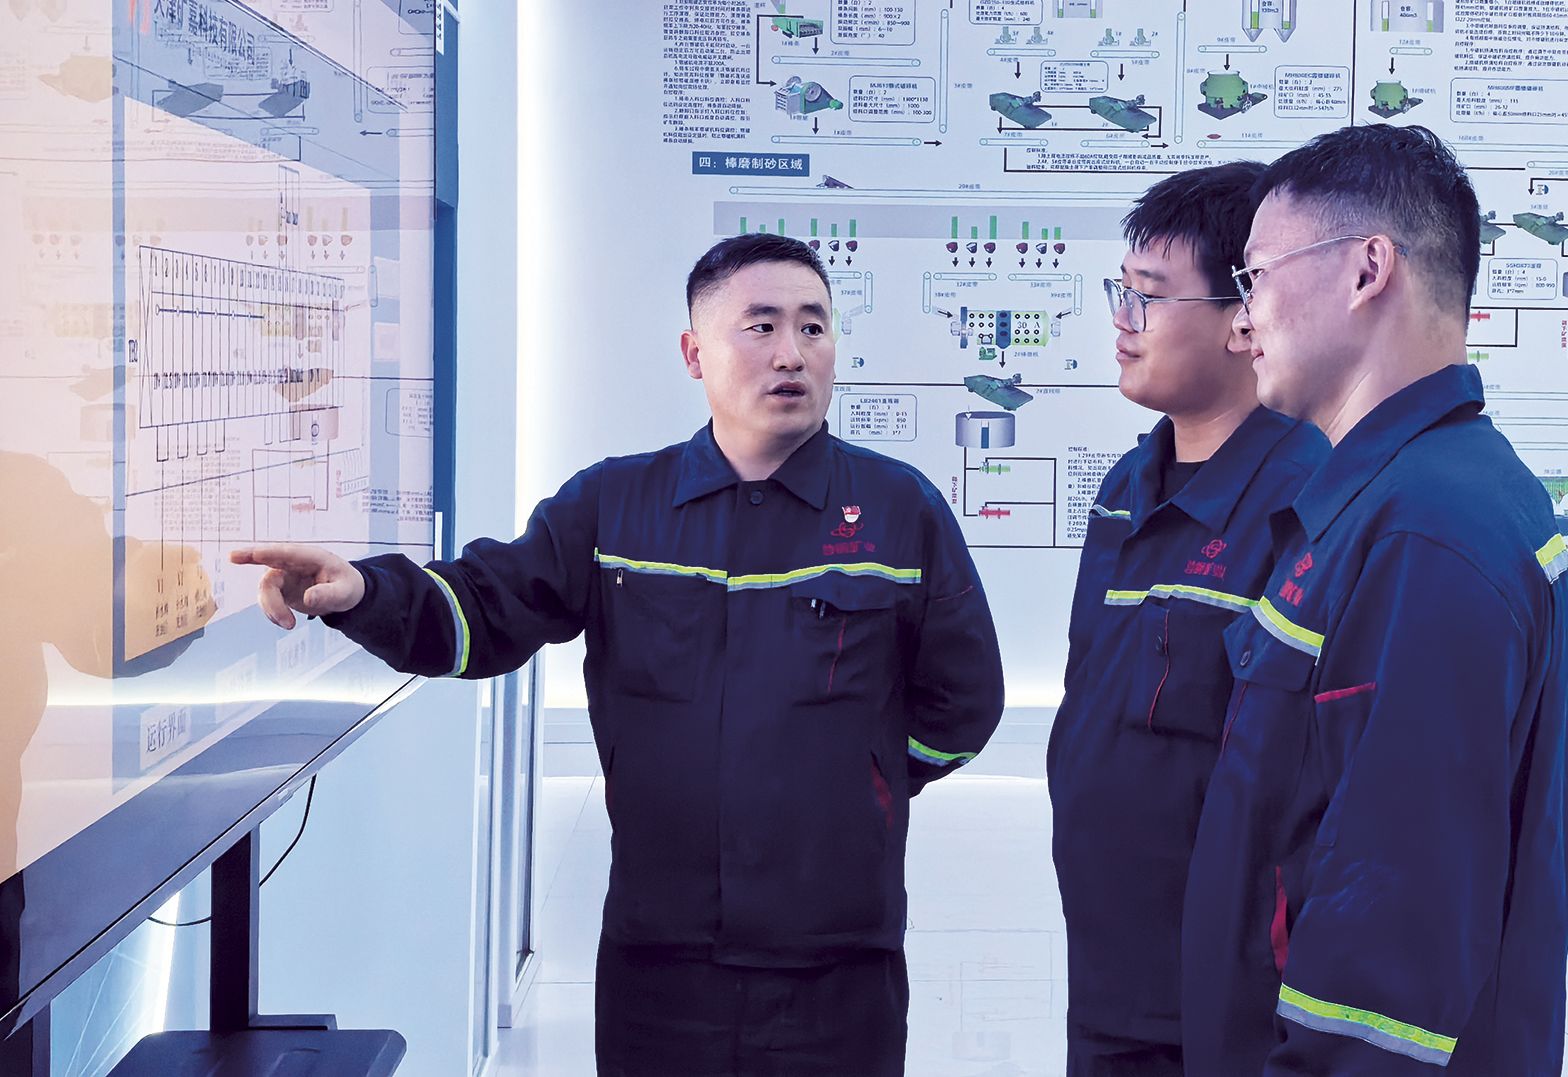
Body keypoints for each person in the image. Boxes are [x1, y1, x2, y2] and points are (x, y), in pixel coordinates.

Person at [232, 233, 1005, 1077]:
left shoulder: (897, 509)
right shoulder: (616, 507)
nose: (792, 352)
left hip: (837, 958)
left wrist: (860, 783)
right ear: (695, 353)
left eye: (813, 328)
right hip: (661, 959)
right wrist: (365, 593)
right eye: (761, 326)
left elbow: (964, 698)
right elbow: (485, 608)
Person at [1182, 124, 1568, 1074]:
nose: (1244, 319)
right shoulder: (1398, 499)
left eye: (1256, 277)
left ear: (1368, 269)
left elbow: (1394, 926)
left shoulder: (1426, 533)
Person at [1047, 162, 1328, 1077]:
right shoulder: (1126, 487)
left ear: (1245, 316)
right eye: (1120, 292)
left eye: (1150, 297)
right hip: (1109, 975)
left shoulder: (1305, 504)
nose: (1122, 321)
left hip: (1226, 1001)